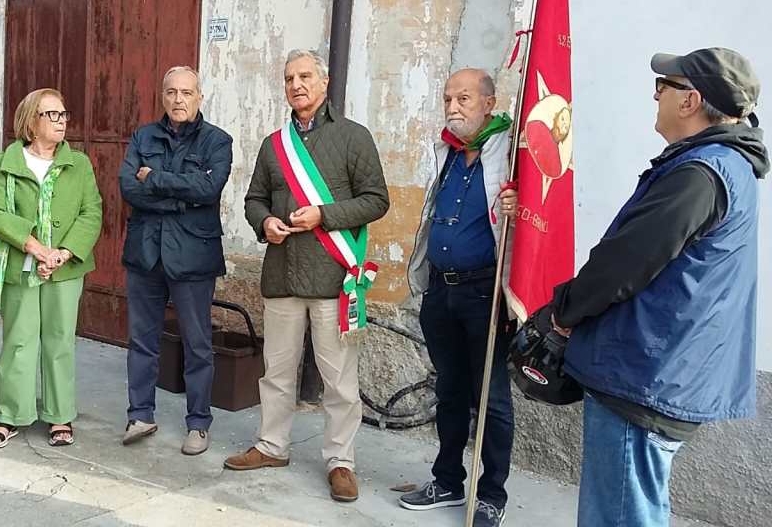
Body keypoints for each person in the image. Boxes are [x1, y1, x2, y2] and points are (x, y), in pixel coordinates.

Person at [538, 48, 766, 527]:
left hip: (646, 373)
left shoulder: (701, 174)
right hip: (662, 369)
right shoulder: (722, 165)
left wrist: (564, 311)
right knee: (635, 507)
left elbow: (624, 264)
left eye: (663, 87)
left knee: (619, 515)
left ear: (690, 100)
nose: (656, 96)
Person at [225, 49, 390, 503]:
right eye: (288, 78)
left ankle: (341, 462)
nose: (296, 85)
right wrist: (264, 222)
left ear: (324, 81)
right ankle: (271, 445)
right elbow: (254, 199)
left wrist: (324, 215)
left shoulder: (354, 137)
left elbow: (377, 200)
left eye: (304, 76)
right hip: (282, 275)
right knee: (276, 372)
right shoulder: (273, 144)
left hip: (333, 278)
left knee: (339, 380)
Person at [399, 68, 514, 527]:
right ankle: (447, 481)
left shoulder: (511, 151)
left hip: (485, 293)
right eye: (448, 98)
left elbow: (537, 212)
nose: (453, 107)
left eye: (464, 98)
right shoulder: (447, 150)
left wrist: (519, 203)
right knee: (448, 389)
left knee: (491, 399)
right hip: (440, 291)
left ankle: (492, 496)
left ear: (489, 103)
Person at [0, 88, 103, 449]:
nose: (61, 121)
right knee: (19, 340)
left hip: (65, 268)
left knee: (60, 341)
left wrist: (63, 253)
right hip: (21, 264)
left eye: (63, 114)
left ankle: (59, 414)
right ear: (31, 121)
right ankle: (10, 415)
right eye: (52, 114)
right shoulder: (7, 162)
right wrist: (35, 247)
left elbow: (91, 212)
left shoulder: (78, 163)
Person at [119, 67, 233, 456]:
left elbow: (209, 188)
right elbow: (129, 188)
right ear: (162, 96)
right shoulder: (143, 137)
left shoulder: (218, 141)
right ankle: (140, 415)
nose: (178, 99)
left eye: (186, 92)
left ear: (200, 96)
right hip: (146, 253)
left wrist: (156, 179)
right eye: (171, 92)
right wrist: (181, 198)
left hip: (193, 256)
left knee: (197, 344)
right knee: (141, 340)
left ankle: (198, 423)